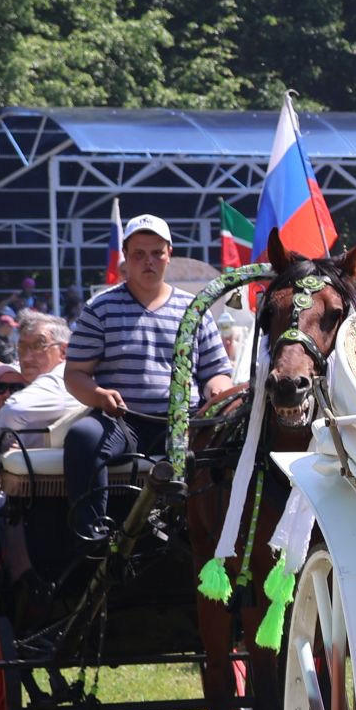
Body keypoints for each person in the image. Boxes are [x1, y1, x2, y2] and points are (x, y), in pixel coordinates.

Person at [62, 216, 234, 540]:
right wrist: (98, 395)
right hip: (123, 422)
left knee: (231, 446)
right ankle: (92, 536)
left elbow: (217, 373)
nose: (149, 261)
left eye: (156, 253)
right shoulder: (99, 308)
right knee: (83, 438)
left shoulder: (195, 309)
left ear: (170, 253)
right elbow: (75, 374)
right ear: (125, 257)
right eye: (139, 254)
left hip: (185, 423)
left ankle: (215, 532)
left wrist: (217, 389)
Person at [0, 311, 77, 446]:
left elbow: (14, 410)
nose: (26, 357)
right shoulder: (42, 372)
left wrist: (2, 446)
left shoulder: (62, 379)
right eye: (22, 347)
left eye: (39, 346)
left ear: (63, 351)